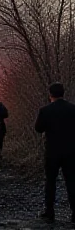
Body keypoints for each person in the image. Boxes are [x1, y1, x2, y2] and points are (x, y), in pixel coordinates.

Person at [34, 82, 75, 223]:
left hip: (52, 151)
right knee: (71, 181)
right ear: (63, 93)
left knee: (50, 182)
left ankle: (49, 212)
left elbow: (38, 128)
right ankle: (74, 212)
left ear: (50, 94)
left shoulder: (45, 110)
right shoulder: (72, 109)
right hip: (71, 151)